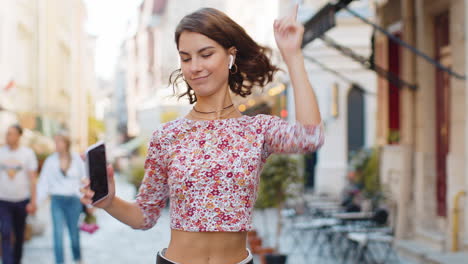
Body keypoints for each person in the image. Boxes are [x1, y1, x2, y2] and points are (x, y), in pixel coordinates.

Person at [81, 5, 324, 264]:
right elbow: (145, 216)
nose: (194, 67)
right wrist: (109, 202)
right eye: (186, 58)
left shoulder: (257, 130)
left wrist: (293, 55)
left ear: (230, 56)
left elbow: (310, 136)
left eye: (205, 54)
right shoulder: (168, 136)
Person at [36, 131, 84, 264]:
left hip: (74, 201)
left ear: (66, 143)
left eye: (59, 141)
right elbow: (43, 183)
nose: (56, 144)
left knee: (74, 234)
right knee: (57, 235)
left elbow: (84, 179)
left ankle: (78, 259)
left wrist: (89, 204)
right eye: (55, 141)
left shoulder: (77, 159)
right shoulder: (50, 161)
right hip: (57, 201)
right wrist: (37, 203)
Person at [0, 124, 38, 264]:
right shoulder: (1, 152)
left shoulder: (27, 154)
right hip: (3, 200)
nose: (7, 136)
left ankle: (16, 260)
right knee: (5, 232)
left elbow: (32, 179)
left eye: (11, 134)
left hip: (21, 201)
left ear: (18, 136)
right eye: (7, 133)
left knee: (19, 234)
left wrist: (33, 202)